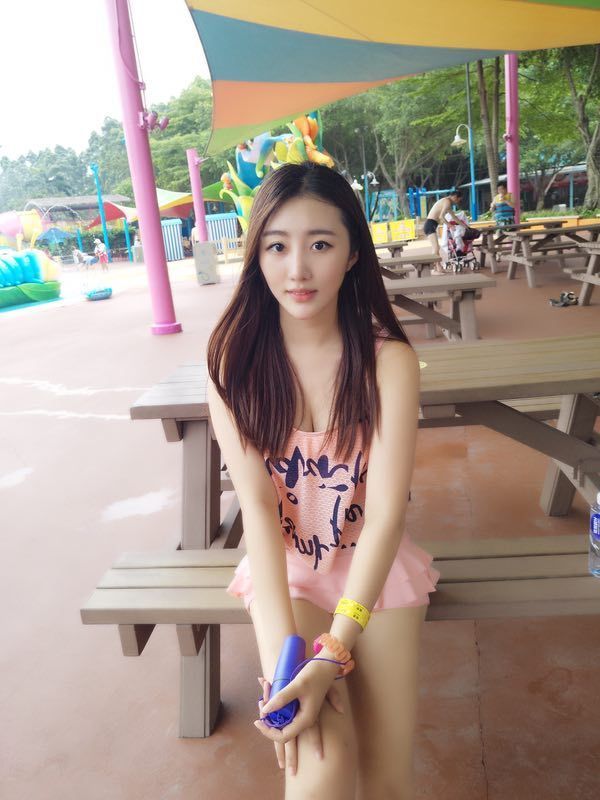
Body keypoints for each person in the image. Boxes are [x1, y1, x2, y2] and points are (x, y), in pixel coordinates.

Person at [207, 162, 439, 799]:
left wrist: (336, 647)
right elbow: (258, 509)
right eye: (277, 246)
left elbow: (386, 514)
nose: (297, 270)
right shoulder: (231, 362)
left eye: (320, 244)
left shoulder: (389, 361)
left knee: (388, 778)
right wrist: (288, 664)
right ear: (256, 256)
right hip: (286, 572)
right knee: (318, 762)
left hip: (374, 571)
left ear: (353, 253)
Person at [423, 191, 464, 268]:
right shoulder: (447, 202)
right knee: (436, 248)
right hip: (430, 225)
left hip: (431, 225)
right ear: (454, 196)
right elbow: (441, 217)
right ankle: (435, 267)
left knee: (436, 248)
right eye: (458, 200)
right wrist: (450, 225)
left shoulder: (447, 203)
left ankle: (437, 267)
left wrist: (465, 226)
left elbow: (454, 217)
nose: (458, 202)